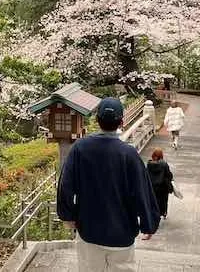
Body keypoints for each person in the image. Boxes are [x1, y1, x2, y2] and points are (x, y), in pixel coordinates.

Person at [57, 97, 160, 272]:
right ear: (122, 121)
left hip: (89, 229)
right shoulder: (128, 154)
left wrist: (68, 215)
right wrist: (148, 223)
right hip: (122, 231)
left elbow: (66, 185)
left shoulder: (80, 148)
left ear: (97, 120)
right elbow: (142, 191)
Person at [146, 148, 174, 220]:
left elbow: (146, 174)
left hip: (152, 186)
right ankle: (163, 212)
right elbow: (169, 174)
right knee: (163, 200)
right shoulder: (164, 164)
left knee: (154, 199)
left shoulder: (149, 164)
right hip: (163, 186)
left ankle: (154, 212)